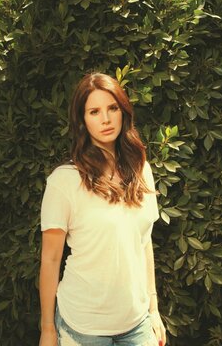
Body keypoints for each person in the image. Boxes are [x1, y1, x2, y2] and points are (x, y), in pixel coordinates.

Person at [39, 72, 167, 346]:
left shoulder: (141, 170)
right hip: (83, 326)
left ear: (124, 112)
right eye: (94, 111)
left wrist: (154, 310)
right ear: (83, 121)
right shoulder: (64, 181)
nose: (106, 119)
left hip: (137, 323)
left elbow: (144, 242)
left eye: (112, 108)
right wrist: (47, 329)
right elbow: (50, 259)